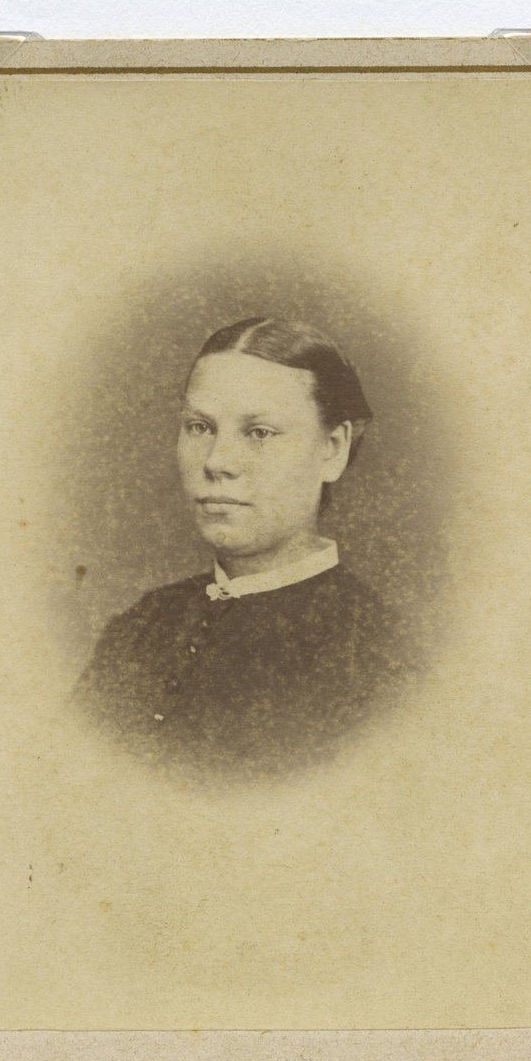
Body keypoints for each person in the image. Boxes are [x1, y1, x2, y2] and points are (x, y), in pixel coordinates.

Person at [74, 317, 401, 775]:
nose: (217, 461)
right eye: (200, 427)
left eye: (259, 432)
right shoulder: (141, 627)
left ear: (332, 448)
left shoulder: (374, 657)